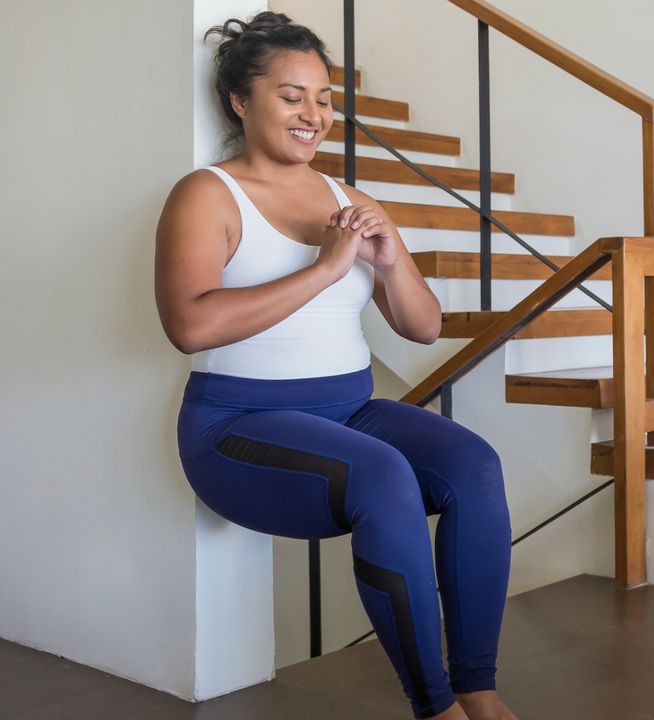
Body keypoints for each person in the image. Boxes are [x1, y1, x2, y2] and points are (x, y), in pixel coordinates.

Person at [153, 11, 517, 720]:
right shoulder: (206, 194)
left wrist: (385, 263)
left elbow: (423, 326)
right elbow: (189, 325)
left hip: (350, 410)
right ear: (239, 101)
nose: (313, 115)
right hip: (237, 425)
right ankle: (435, 708)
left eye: (323, 99)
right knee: (381, 475)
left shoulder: (351, 199)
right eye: (292, 97)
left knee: (473, 464)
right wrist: (325, 270)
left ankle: (480, 692)